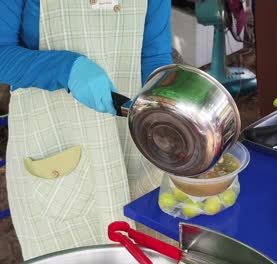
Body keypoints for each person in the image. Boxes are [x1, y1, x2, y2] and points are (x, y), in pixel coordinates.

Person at [0, 0, 172, 260]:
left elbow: (154, 56)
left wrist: (167, 112)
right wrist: (66, 68)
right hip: (53, 147)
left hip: (131, 143)